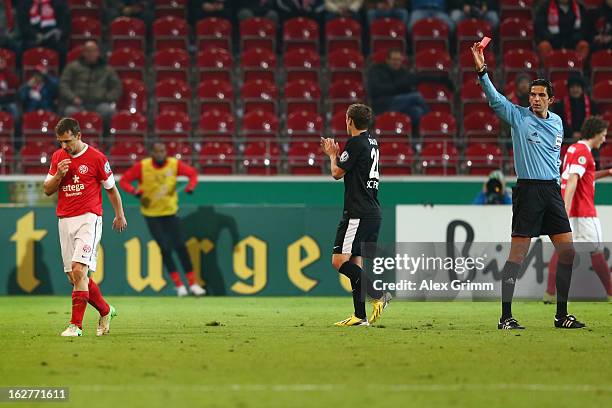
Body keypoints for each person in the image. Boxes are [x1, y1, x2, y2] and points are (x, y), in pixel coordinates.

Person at [471, 41, 585, 329]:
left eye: (540, 95)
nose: (534, 99)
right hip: (529, 191)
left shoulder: (558, 123)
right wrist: (482, 70)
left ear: (550, 99)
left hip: (552, 191)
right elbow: (496, 100)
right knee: (517, 257)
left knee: (568, 252)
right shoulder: (519, 117)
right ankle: (505, 316)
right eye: (532, 94)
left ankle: (561, 315)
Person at [43, 118, 127, 337]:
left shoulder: (97, 158)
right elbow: (47, 190)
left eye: (67, 141)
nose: (64, 146)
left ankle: (75, 326)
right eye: (60, 141)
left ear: (79, 136)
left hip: (89, 218)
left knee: (80, 270)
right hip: (64, 219)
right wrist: (60, 174)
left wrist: (120, 214)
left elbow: (111, 189)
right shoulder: (58, 157)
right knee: (74, 277)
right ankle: (106, 310)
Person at [320, 103, 391, 326]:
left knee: (338, 261)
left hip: (357, 212)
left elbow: (336, 173)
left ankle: (378, 294)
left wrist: (332, 154)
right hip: (372, 210)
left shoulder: (356, 143)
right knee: (356, 263)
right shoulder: (372, 142)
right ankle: (359, 316)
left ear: (349, 120)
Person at [119, 141, 206, 297]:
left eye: (163, 150)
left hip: (170, 212)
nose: (160, 154)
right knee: (165, 248)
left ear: (166, 151)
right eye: (157, 151)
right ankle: (179, 285)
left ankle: (193, 284)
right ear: (152, 153)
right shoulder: (143, 166)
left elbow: (192, 173)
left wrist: (190, 187)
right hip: (152, 214)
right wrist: (136, 192)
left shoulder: (174, 164)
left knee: (181, 246)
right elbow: (124, 180)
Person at [544, 116, 612, 303]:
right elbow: (573, 178)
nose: (604, 139)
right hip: (584, 214)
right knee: (596, 251)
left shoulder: (573, 149)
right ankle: (611, 293)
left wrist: (607, 172)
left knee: (561, 251)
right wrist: (565, 207)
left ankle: (549, 293)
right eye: (603, 135)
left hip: (572, 212)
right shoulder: (584, 152)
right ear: (596, 134)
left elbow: (584, 177)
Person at [367, 48, 430, 134]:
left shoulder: (402, 72)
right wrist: (395, 88)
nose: (396, 62)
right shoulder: (377, 70)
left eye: (399, 60)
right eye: (394, 60)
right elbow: (374, 90)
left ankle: (415, 140)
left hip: (400, 105)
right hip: (382, 104)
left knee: (417, 111)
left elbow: (416, 80)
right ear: (387, 60)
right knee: (417, 96)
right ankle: (429, 122)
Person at [59, 41, 122, 126]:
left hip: (100, 104)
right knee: (69, 112)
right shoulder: (72, 67)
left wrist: (107, 98)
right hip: (78, 104)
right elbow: (63, 85)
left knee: (110, 112)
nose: (91, 54)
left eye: (94, 51)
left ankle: (105, 138)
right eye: (88, 51)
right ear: (83, 53)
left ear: (98, 53)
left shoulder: (107, 69)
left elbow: (117, 87)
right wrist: (73, 98)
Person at [555, 73, 596, 141]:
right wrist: (571, 134)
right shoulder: (560, 105)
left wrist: (584, 133)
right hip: (566, 139)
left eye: (578, 87)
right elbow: (558, 123)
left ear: (582, 89)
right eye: (572, 87)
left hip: (587, 138)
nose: (575, 90)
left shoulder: (591, 104)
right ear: (569, 89)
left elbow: (594, 121)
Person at [0, 54, 18, 118]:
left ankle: (15, 127)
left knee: (14, 109)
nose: (1, 64)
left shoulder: (10, 73)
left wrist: (6, 73)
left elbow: (15, 85)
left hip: (9, 100)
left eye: (2, 62)